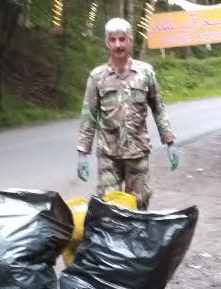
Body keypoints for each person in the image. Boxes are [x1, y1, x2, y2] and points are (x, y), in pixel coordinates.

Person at [76, 18, 178, 210]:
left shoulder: (145, 73)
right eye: (113, 39)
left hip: (137, 153)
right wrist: (83, 152)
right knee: (109, 208)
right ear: (107, 42)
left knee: (139, 206)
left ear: (130, 40)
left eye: (122, 39)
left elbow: (158, 108)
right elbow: (89, 116)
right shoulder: (97, 77)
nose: (118, 45)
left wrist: (170, 141)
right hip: (108, 156)